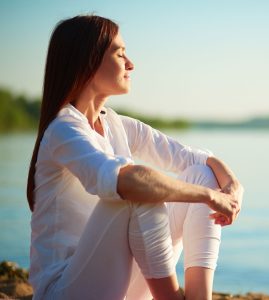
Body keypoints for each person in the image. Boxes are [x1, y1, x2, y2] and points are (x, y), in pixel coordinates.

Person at [27, 15, 243, 300]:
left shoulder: (117, 124)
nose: (131, 63)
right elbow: (127, 181)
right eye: (119, 53)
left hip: (118, 285)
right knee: (136, 190)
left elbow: (197, 160)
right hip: (66, 290)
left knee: (200, 175)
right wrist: (208, 197)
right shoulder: (64, 129)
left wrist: (231, 187)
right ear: (88, 61)